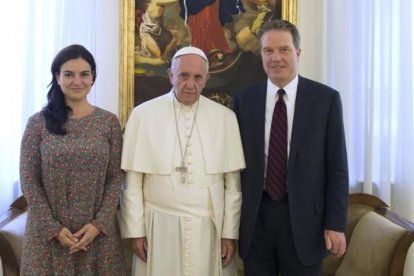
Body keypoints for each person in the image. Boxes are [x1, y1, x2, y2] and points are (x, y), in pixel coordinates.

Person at [233, 19, 349, 275]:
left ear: (298, 52)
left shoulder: (326, 100)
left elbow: (337, 167)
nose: (276, 58)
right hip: (256, 220)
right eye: (268, 51)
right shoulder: (243, 101)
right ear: (261, 54)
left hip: (306, 223)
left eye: (284, 49)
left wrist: (336, 224)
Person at [119, 46, 245, 276]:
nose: (190, 84)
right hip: (158, 226)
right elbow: (132, 182)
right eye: (183, 76)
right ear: (171, 76)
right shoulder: (143, 114)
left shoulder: (225, 118)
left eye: (198, 77)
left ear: (207, 79)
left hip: (210, 228)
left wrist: (229, 233)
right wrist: (136, 231)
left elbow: (233, 187)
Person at [19, 44, 126, 274]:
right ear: (57, 77)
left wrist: (98, 225)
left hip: (98, 237)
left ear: (93, 78)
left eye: (84, 74)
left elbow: (115, 178)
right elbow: (29, 180)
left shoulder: (109, 122)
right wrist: (53, 228)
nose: (77, 81)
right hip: (48, 237)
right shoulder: (38, 123)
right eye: (69, 74)